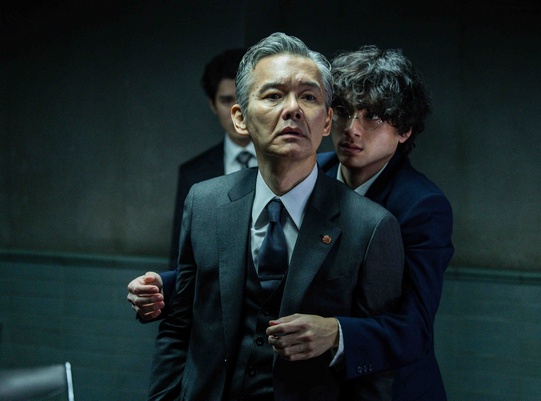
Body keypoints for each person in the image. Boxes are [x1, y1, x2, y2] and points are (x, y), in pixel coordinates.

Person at [145, 32, 404, 400]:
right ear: (240, 118)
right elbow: (178, 328)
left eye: (309, 97)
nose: (293, 109)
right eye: (273, 95)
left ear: (327, 121)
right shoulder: (204, 202)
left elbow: (375, 370)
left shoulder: (371, 226)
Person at [267, 46, 454, 400]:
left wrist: (337, 333)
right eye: (343, 111)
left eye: (373, 117)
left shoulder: (422, 206)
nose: (352, 129)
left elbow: (415, 329)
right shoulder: (308, 170)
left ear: (404, 130)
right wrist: (170, 285)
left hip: (393, 388)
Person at [128, 48, 257, 320]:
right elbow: (182, 258)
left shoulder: (290, 162)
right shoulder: (194, 173)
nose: (237, 110)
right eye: (226, 100)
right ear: (212, 104)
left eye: (244, 98)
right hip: (213, 314)